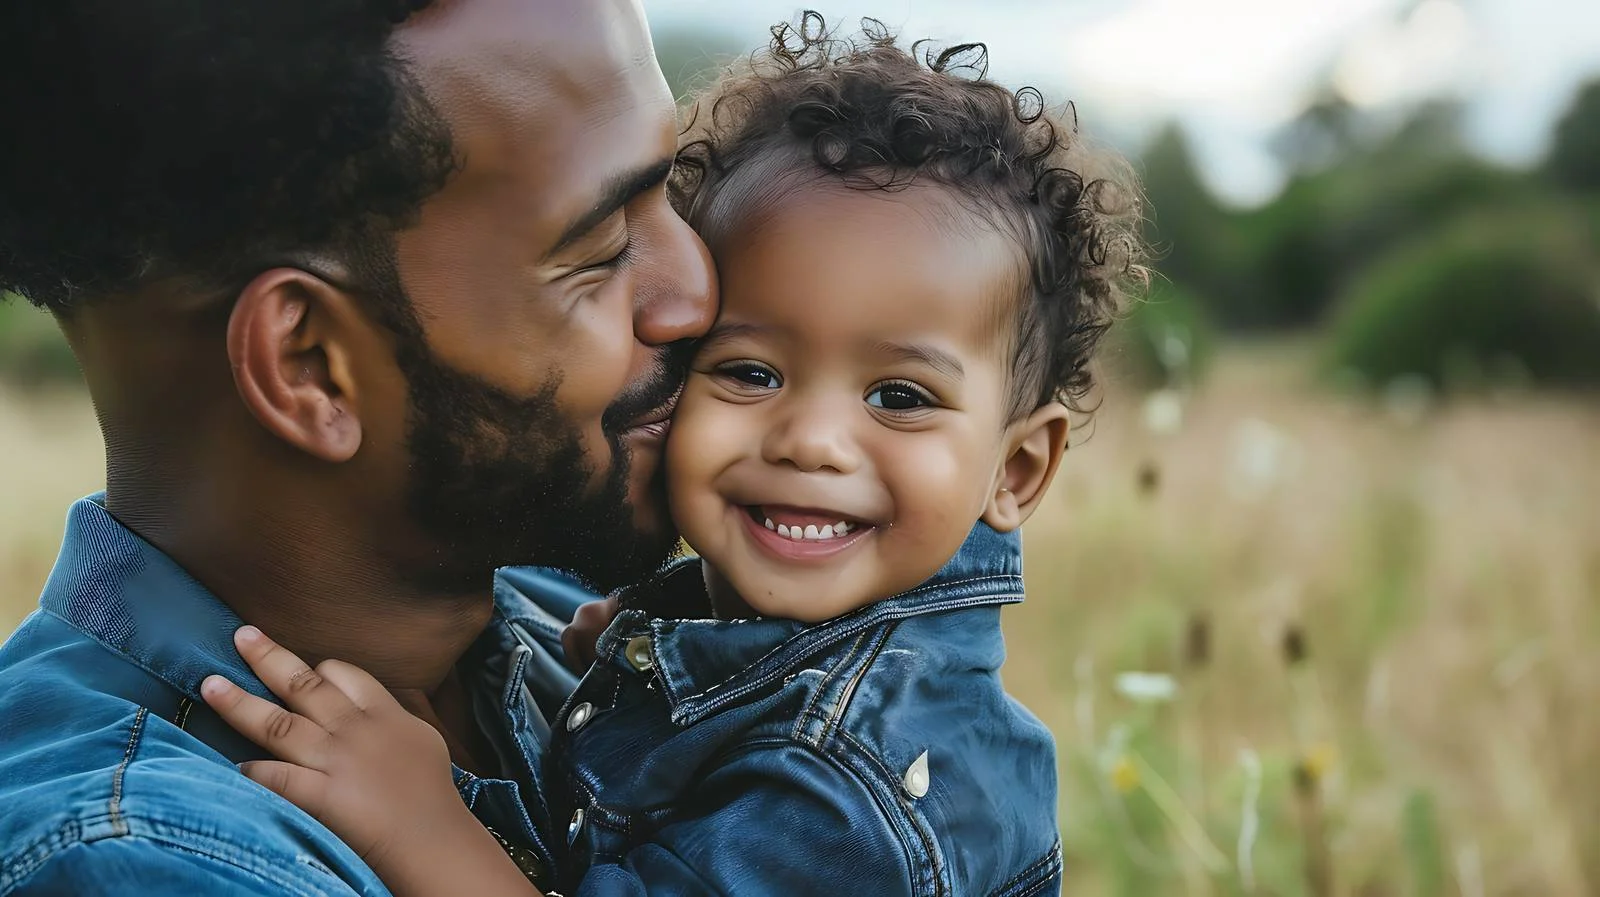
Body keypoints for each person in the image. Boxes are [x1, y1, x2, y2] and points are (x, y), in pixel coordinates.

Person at [201, 16, 1145, 896]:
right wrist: (647, 652)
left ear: (1017, 470)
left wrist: (424, 826)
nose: (810, 440)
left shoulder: (845, 783)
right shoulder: (769, 642)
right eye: (750, 371)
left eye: (899, 397)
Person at [0, 1, 715, 894]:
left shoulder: (583, 624)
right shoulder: (149, 859)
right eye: (603, 248)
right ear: (310, 366)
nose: (695, 291)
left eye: (678, 189)